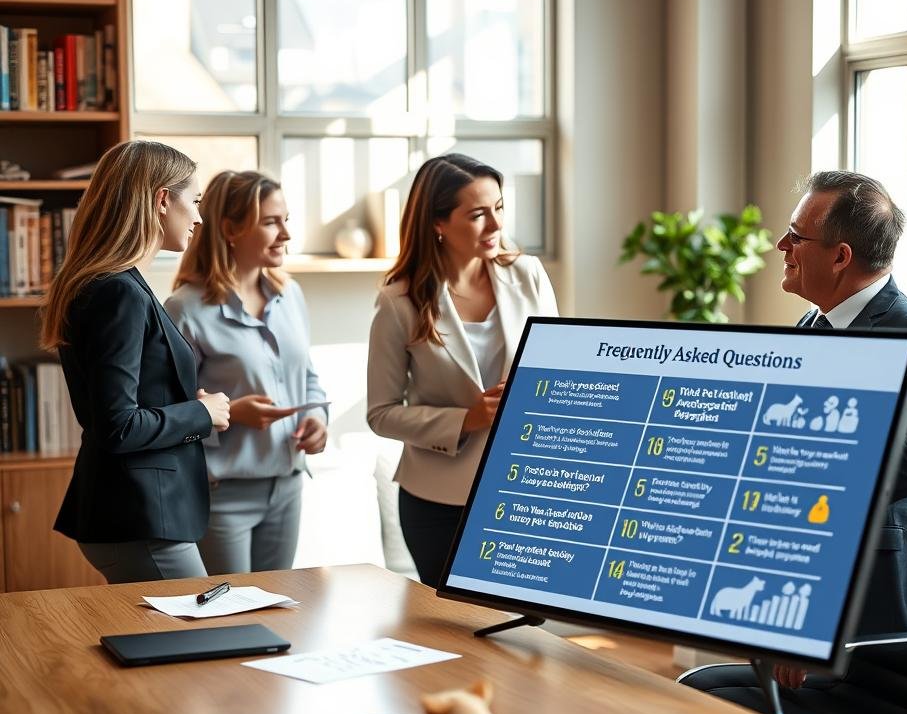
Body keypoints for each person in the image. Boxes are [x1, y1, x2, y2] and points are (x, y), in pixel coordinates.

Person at [774, 170, 907, 688]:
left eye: (796, 235)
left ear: (840, 257)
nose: (782, 245)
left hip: (863, 591)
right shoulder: (808, 327)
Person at [40, 140, 231, 582]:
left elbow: (128, 398)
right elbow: (117, 424)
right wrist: (199, 413)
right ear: (163, 199)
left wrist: (185, 402)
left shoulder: (110, 285)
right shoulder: (119, 292)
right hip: (140, 517)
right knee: (195, 644)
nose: (200, 217)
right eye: (196, 201)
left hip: (133, 513)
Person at [367, 153, 559, 587]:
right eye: (477, 214)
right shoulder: (400, 300)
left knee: (527, 632)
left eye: (499, 208)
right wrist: (466, 420)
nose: (495, 226)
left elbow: (558, 375)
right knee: (460, 637)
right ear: (438, 222)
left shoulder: (528, 275)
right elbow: (380, 413)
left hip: (526, 492)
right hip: (438, 503)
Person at [165, 171, 328, 574]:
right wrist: (234, 413)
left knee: (279, 613)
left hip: (288, 485)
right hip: (223, 496)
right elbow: (169, 412)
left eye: (285, 219)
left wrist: (318, 419)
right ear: (230, 229)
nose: (286, 234)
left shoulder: (289, 294)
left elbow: (307, 376)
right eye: (272, 222)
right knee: (230, 621)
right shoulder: (185, 309)